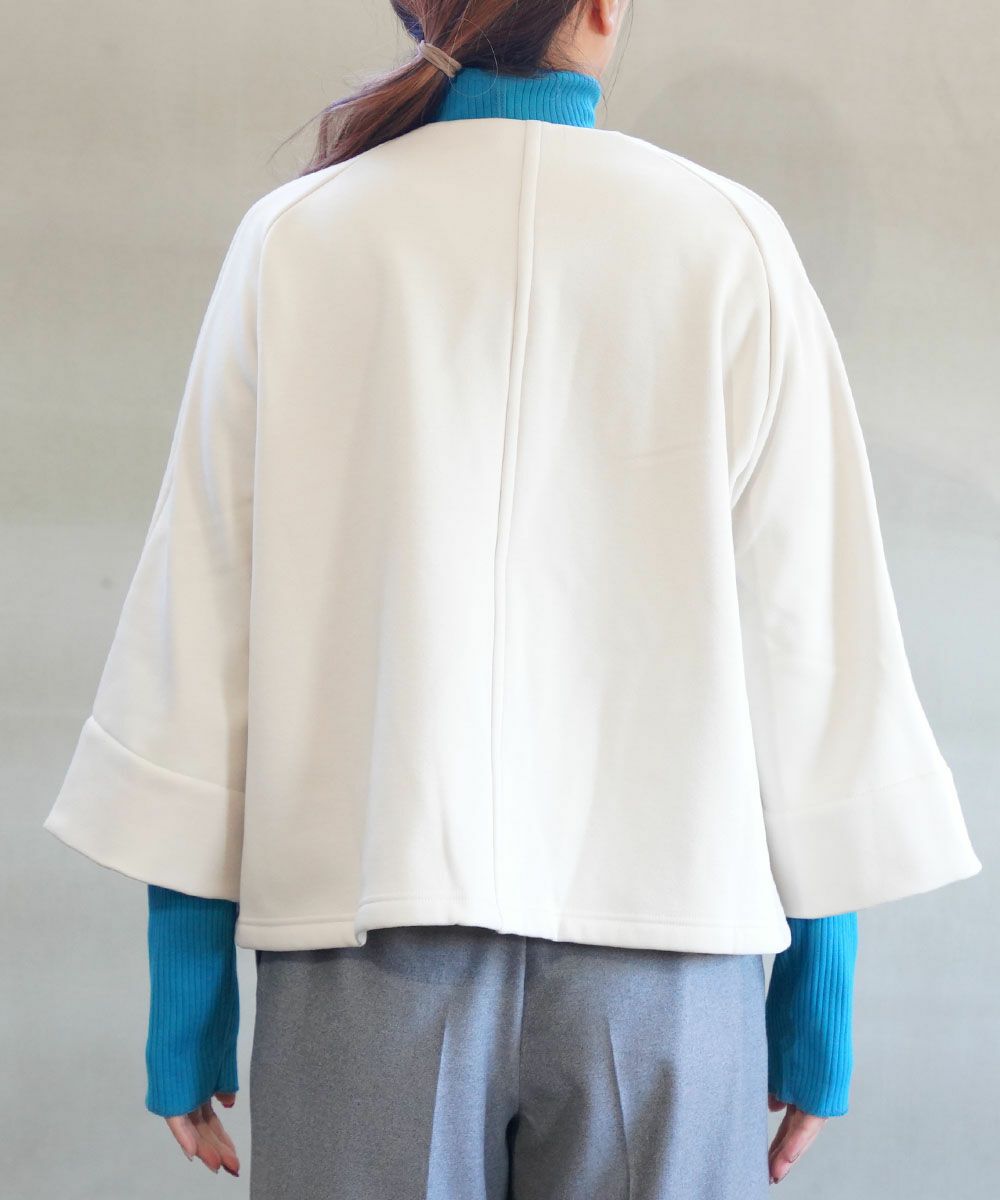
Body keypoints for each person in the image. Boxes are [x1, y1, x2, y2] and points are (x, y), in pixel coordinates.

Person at [42, 2, 981, 1196]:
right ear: (602, 6)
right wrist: (815, 1001)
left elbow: (200, 625)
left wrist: (186, 999)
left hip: (362, 951)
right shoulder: (732, 242)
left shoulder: (298, 240)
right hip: (669, 961)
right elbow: (807, 638)